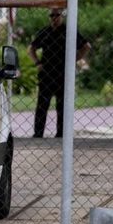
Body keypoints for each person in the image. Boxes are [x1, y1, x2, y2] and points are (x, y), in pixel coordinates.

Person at [29, 7, 90, 138]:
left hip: (63, 74)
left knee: (62, 105)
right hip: (46, 74)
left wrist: (75, 58)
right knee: (42, 105)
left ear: (62, 16)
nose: (54, 18)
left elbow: (86, 46)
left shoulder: (69, 31)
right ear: (49, 17)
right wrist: (38, 63)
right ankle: (38, 133)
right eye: (52, 16)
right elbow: (31, 48)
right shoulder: (45, 32)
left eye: (57, 15)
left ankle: (61, 134)